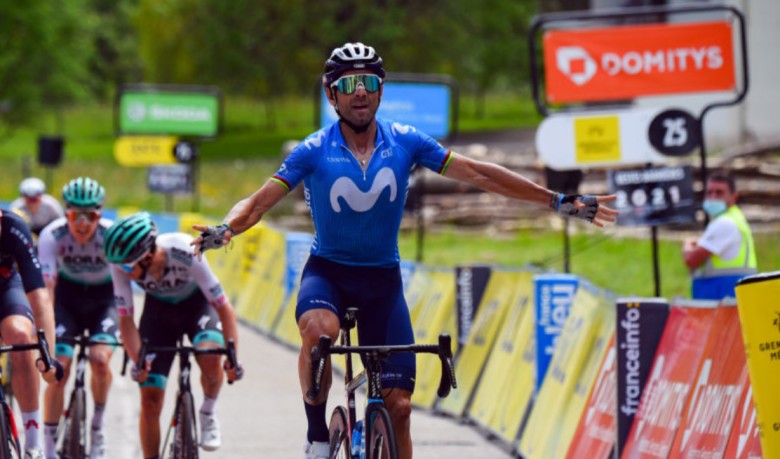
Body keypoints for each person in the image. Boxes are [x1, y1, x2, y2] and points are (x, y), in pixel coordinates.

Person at [193, 42, 618, 459]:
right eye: (348, 83)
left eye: (369, 81)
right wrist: (226, 228)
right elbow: (258, 202)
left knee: (398, 408)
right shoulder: (313, 150)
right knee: (319, 332)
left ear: (379, 90)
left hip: (383, 282)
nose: (359, 90)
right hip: (329, 274)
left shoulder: (406, 141)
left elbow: (479, 174)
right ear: (331, 94)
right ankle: (317, 435)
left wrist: (555, 200)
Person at [102, 212, 243, 459]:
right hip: (159, 314)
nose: (120, 270)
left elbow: (223, 307)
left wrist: (232, 356)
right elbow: (126, 320)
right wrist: (138, 361)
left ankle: (208, 411)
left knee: (210, 356)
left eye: (125, 265)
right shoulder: (120, 267)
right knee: (150, 397)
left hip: (198, 306)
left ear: (145, 257)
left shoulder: (182, 248)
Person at [37, 177, 118, 459]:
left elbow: (123, 291)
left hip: (104, 299)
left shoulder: (111, 235)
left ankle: (97, 426)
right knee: (59, 368)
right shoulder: (52, 235)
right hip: (67, 300)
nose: (83, 224)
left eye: (91, 216)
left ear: (100, 214)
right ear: (66, 213)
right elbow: (45, 292)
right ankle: (48, 448)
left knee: (99, 359)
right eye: (75, 215)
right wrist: (44, 341)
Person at [0, 208, 61, 459]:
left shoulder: (15, 228)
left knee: (22, 336)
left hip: (5, 287)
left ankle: (33, 446)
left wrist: (48, 357)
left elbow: (39, 297)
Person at [683, 172, 757, 300]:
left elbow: (691, 259)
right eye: (709, 192)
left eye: (719, 192)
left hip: (722, 298)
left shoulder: (725, 223)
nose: (713, 197)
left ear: (734, 197)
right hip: (725, 298)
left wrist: (687, 244)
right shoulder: (733, 218)